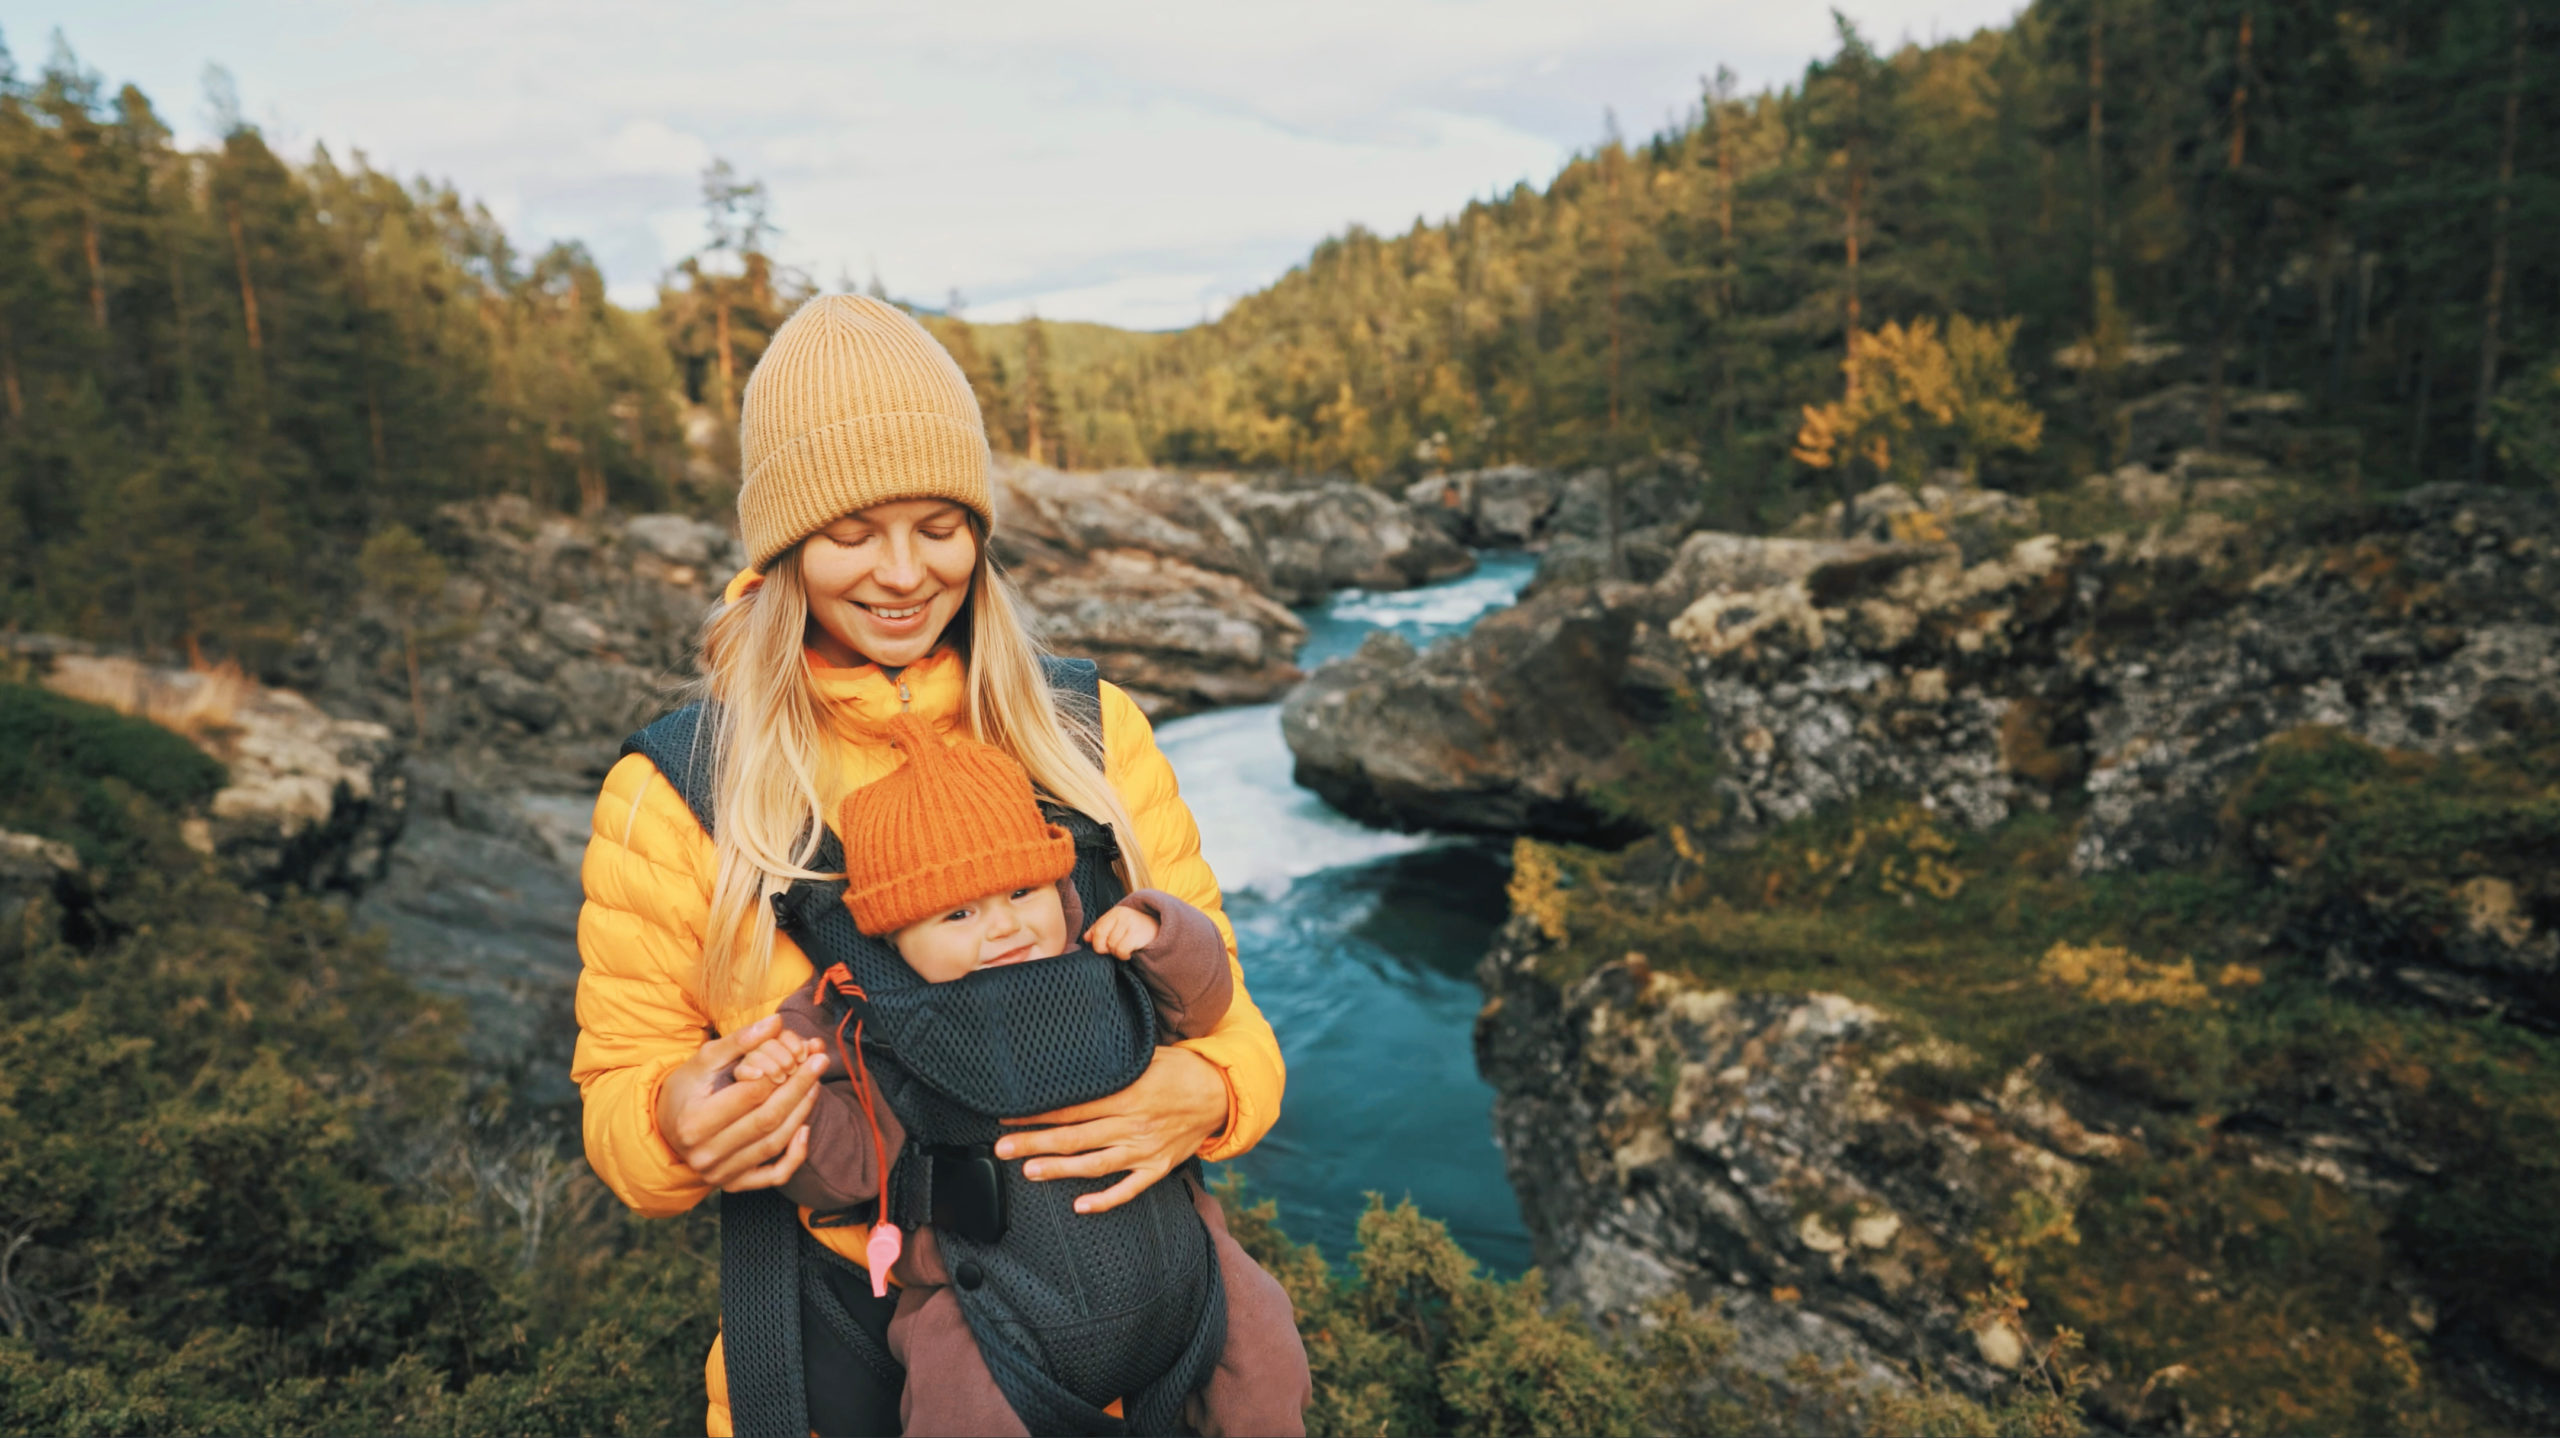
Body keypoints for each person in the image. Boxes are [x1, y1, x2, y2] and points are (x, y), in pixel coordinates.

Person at [572, 294, 1292, 1436]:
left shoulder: (1086, 730)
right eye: (853, 531)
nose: (904, 573)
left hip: (1147, 1349)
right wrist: (672, 1120)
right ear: (785, 541)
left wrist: (1215, 1091)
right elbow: (618, 1089)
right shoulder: (677, 789)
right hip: (856, 1373)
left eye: (938, 525)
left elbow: (1225, 1006)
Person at [732, 712, 1307, 1435]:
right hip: (994, 1312)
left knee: (1266, 1349)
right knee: (962, 1405)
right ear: (891, 936)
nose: (1003, 928)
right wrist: (789, 1099)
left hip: (1185, 1276)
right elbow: (845, 1172)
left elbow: (1205, 1004)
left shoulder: (1097, 952)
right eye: (960, 914)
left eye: (1021, 895)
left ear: (1057, 888)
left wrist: (1162, 934)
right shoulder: (863, 1016)